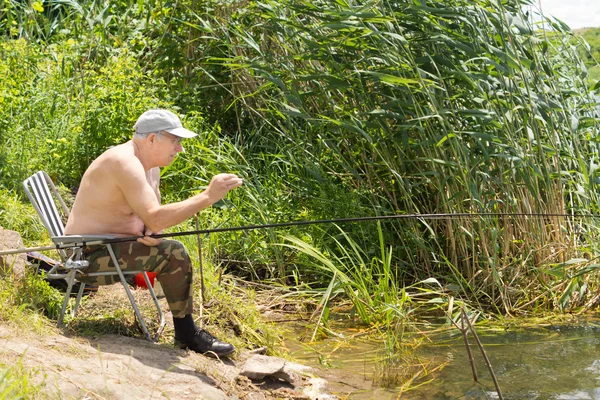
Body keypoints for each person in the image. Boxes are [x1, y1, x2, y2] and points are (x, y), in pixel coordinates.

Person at [64, 109, 243, 357]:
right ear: (151, 139)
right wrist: (208, 196)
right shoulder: (124, 162)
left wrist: (153, 231)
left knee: (168, 249)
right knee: (174, 253)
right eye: (175, 141)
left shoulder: (151, 167)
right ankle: (187, 334)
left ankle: (186, 332)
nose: (179, 149)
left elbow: (153, 220)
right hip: (87, 258)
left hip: (113, 250)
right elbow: (156, 215)